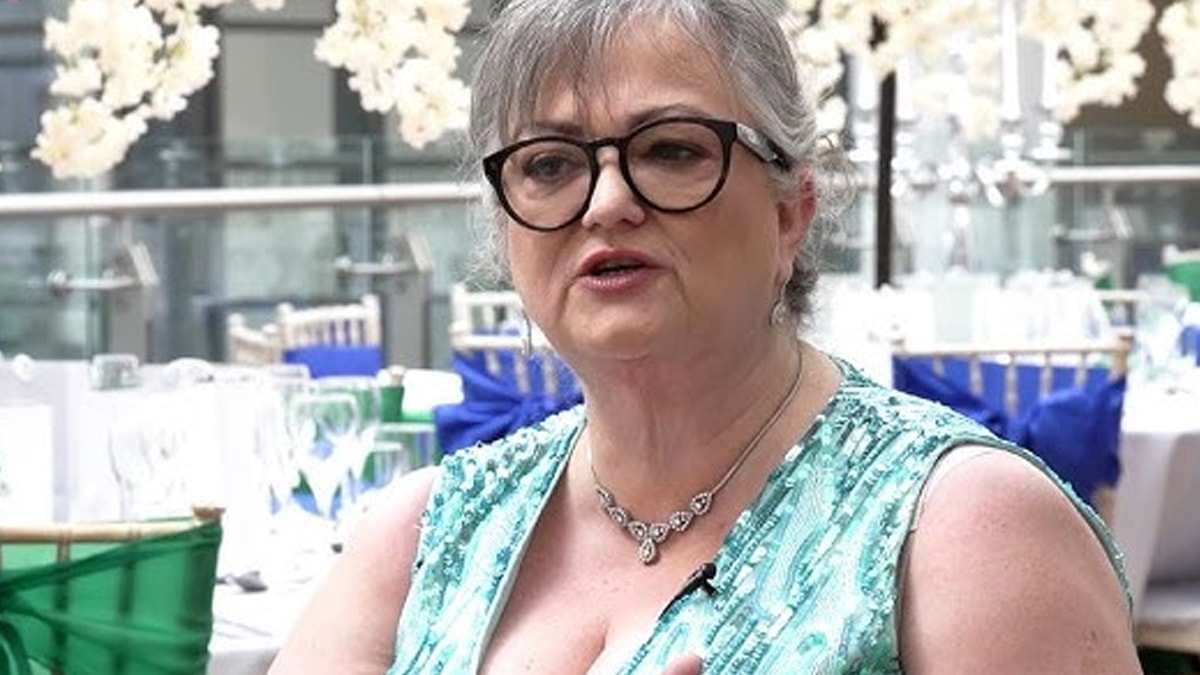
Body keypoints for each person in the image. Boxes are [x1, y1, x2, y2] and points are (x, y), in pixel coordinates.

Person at [269, 0, 1140, 672]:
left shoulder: (967, 529)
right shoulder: (423, 534)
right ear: (506, 231)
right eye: (549, 164)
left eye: (673, 150)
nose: (608, 202)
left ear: (792, 211)